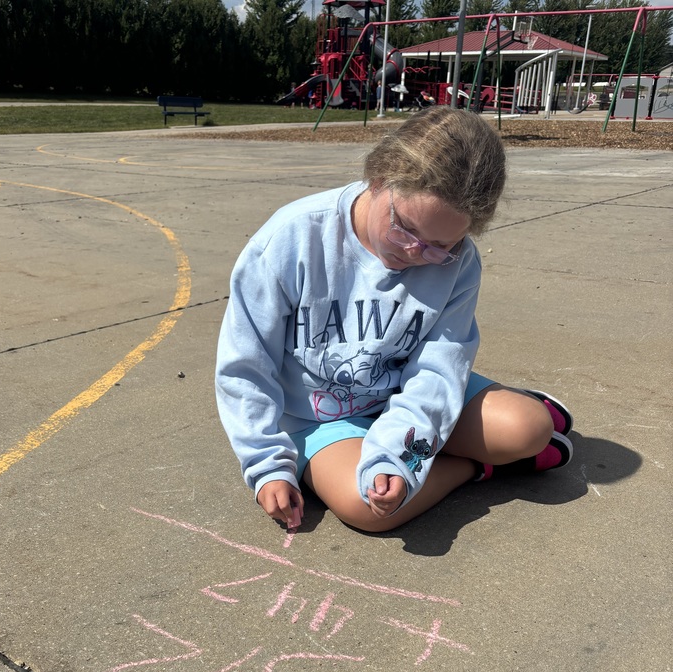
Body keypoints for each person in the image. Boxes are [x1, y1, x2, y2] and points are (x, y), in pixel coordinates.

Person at [215, 108, 573, 534]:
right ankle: (476, 466)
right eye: (403, 230)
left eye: (439, 246)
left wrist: (397, 460)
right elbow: (246, 366)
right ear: (380, 178)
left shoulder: (458, 263)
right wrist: (266, 464)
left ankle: (487, 439)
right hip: (318, 416)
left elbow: (436, 370)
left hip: (405, 395)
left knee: (529, 429)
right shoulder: (291, 240)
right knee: (366, 506)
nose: (414, 254)